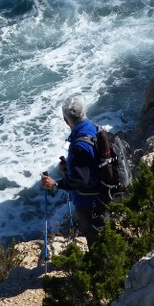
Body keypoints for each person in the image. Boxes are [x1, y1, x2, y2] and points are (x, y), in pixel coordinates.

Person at [40, 96, 102, 245]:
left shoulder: (78, 145)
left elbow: (80, 181)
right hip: (103, 195)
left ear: (66, 121)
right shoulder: (94, 128)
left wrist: (55, 184)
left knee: (96, 240)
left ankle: (100, 265)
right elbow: (92, 162)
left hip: (89, 203)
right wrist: (70, 167)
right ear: (85, 111)